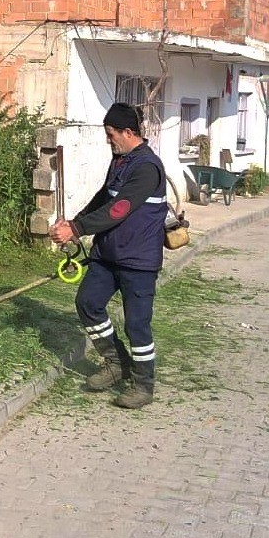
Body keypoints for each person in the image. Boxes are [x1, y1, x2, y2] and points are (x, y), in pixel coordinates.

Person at [49, 103, 166, 409]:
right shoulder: (120, 161)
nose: (108, 140)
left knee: (136, 324)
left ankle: (144, 385)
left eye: (111, 134)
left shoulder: (146, 168)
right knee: (87, 303)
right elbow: (105, 198)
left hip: (138, 261)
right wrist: (73, 221)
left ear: (128, 132)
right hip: (108, 254)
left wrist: (76, 229)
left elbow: (119, 209)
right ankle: (117, 363)